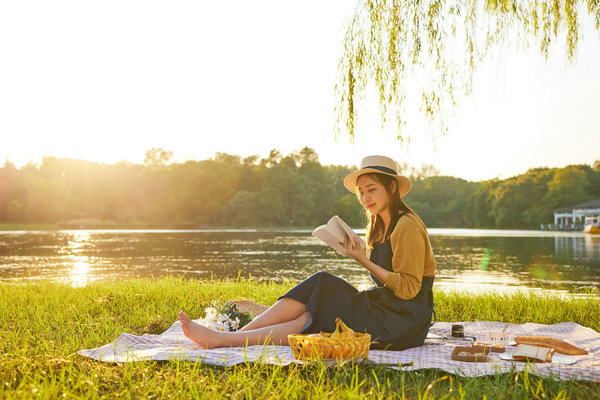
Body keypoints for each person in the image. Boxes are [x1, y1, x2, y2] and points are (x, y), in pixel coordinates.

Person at [179, 155, 436, 350]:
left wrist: (361, 260)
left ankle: (226, 339)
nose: (365, 198)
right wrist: (359, 255)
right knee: (314, 306)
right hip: (388, 310)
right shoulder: (380, 225)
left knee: (324, 285)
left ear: (392, 188)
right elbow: (388, 282)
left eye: (372, 190)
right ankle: (229, 338)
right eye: (361, 192)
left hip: (403, 322)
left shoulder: (407, 226)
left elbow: (408, 290)